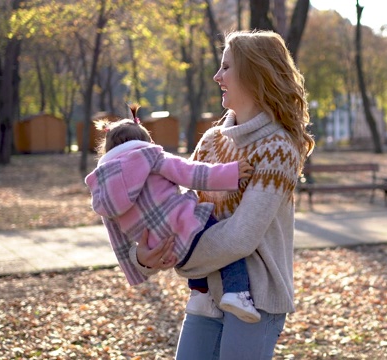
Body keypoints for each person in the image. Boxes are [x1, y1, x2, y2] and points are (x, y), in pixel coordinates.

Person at [131, 30, 315, 359]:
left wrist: (181, 259)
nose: (217, 77)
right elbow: (178, 217)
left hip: (255, 299)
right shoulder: (211, 141)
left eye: (226, 67)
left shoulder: (278, 147)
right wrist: (142, 258)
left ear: (256, 74)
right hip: (205, 296)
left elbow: (241, 237)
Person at [84, 104, 261, 323]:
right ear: (145, 141)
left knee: (195, 253)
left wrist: (135, 268)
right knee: (225, 241)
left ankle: (200, 296)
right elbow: (191, 174)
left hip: (163, 251)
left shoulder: (102, 189)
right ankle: (237, 292)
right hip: (186, 226)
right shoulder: (152, 156)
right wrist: (231, 173)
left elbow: (116, 238)